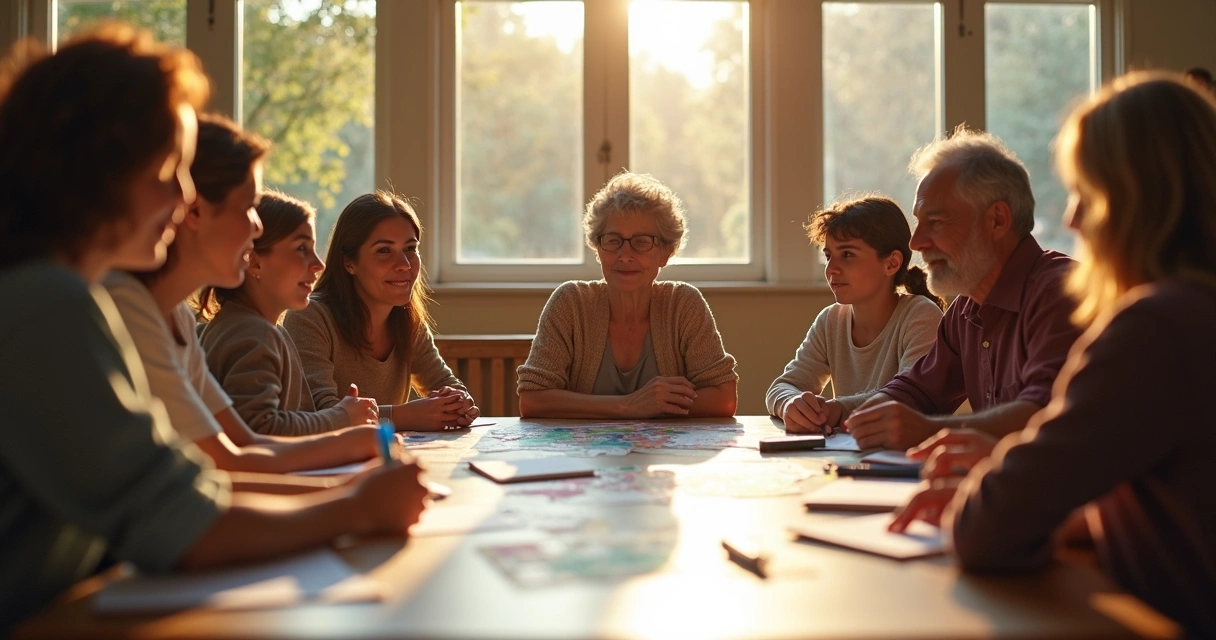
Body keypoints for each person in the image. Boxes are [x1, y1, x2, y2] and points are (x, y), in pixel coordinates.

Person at [0, 25, 426, 634]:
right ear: (101, 166)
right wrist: (354, 508)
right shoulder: (49, 304)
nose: (182, 194)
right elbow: (181, 523)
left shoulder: (63, 295)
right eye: (168, 168)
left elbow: (194, 479)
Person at [891, 72, 1216, 635]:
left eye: (1086, 193)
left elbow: (985, 530)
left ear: (1142, 199)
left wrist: (993, 480)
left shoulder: (1157, 326)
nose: (1070, 219)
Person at [106, 113, 383, 476]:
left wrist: (350, 451)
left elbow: (242, 444)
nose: (255, 227)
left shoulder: (178, 319)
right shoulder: (126, 308)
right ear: (194, 210)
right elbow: (230, 464)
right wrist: (348, 469)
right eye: (247, 206)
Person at [843, 128, 1083, 450]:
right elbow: (919, 391)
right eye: (918, 223)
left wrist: (929, 430)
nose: (916, 242)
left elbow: (1047, 414)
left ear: (997, 220)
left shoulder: (1062, 293)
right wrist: (836, 411)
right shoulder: (965, 309)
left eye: (936, 222)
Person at [517, 171, 738, 419]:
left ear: (665, 252)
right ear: (598, 249)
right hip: (582, 457)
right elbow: (532, 399)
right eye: (613, 240)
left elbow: (724, 398)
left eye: (642, 242)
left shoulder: (683, 305)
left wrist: (651, 406)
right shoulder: (571, 303)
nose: (625, 255)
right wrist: (628, 405)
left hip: (667, 455)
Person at [284, 191, 478, 431]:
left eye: (410, 248)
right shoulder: (310, 316)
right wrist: (401, 416)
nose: (404, 265)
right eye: (384, 251)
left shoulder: (407, 318)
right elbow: (321, 414)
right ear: (349, 263)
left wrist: (457, 402)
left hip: (387, 455)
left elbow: (442, 381)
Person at [766, 195, 943, 434]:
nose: (831, 268)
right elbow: (784, 385)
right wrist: (790, 404)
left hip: (906, 460)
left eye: (847, 254)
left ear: (891, 264)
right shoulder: (831, 320)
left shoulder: (920, 316)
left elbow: (911, 398)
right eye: (829, 256)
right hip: (848, 456)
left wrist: (840, 409)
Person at [200, 190, 369, 436]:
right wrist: (341, 418)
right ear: (254, 262)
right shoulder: (253, 335)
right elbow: (259, 428)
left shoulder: (255, 327)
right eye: (302, 248)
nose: (319, 264)